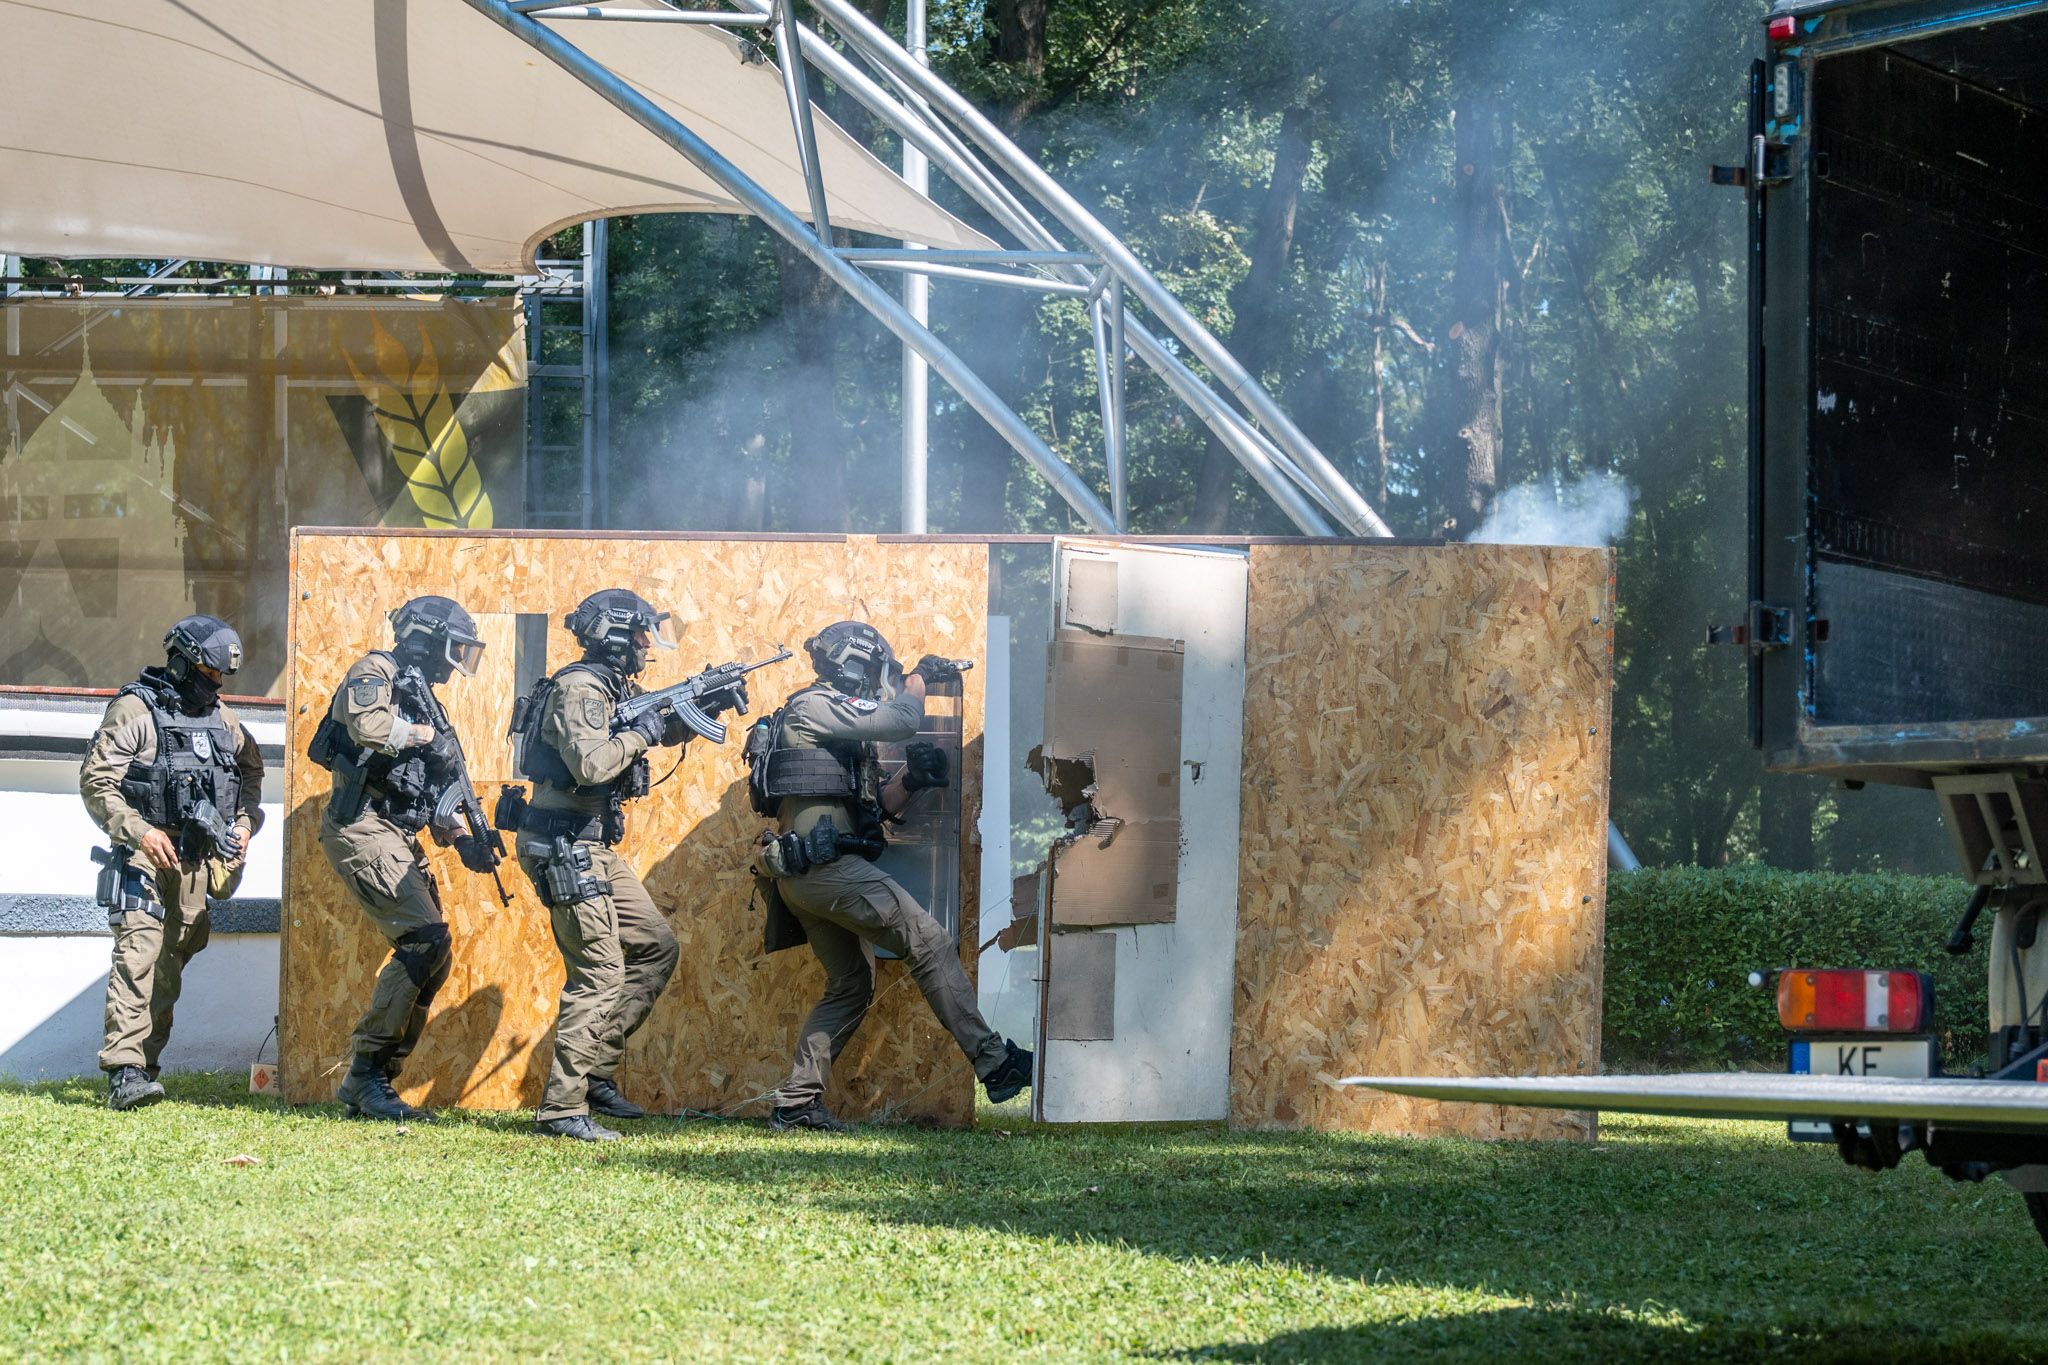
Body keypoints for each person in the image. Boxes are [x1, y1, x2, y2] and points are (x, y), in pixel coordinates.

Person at [747, 620, 1031, 1132]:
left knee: (851, 984)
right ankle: (995, 1063)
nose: (883, 679)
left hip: (810, 874)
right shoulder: (815, 705)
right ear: (855, 664)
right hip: (825, 870)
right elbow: (902, 719)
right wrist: (919, 677)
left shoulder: (832, 725)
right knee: (930, 941)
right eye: (878, 670)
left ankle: (796, 1102)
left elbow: (870, 809)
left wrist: (912, 780)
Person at [506, 589, 745, 1142]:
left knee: (656, 947)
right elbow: (591, 765)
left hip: (591, 847)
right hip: (562, 845)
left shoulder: (611, 688)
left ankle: (593, 1075)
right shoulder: (579, 689)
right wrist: (642, 732)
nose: (646, 644)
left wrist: (706, 704)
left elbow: (657, 729)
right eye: (639, 634)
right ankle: (561, 1110)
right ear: (613, 636)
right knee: (600, 972)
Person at [310, 596, 494, 1122]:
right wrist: (426, 737)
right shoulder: (376, 672)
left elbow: (430, 794)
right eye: (455, 648)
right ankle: (365, 1075)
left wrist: (463, 838)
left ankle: (375, 1078)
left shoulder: (423, 698)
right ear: (426, 639)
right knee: (422, 940)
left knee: (435, 953)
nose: (457, 662)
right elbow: (369, 729)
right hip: (360, 823)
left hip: (396, 830)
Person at [80, 614, 264, 1111]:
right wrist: (140, 831)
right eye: (208, 672)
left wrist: (244, 823)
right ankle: (124, 1072)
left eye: (221, 675)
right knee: (137, 952)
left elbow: (251, 771)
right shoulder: (135, 711)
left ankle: (145, 1067)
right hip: (142, 855)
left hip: (194, 859)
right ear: (182, 663)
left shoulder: (223, 720)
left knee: (168, 968)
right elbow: (97, 783)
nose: (216, 683)